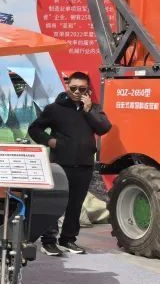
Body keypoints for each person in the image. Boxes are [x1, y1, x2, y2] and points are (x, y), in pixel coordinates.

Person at [27, 71, 112, 255]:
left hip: (84, 165)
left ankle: (68, 239)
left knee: (76, 205)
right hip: (60, 164)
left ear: (88, 90)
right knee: (54, 203)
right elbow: (34, 129)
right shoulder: (54, 109)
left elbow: (104, 128)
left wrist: (88, 111)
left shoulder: (93, 109)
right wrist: (50, 141)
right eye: (73, 88)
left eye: (82, 89)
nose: (77, 92)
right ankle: (48, 241)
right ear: (67, 86)